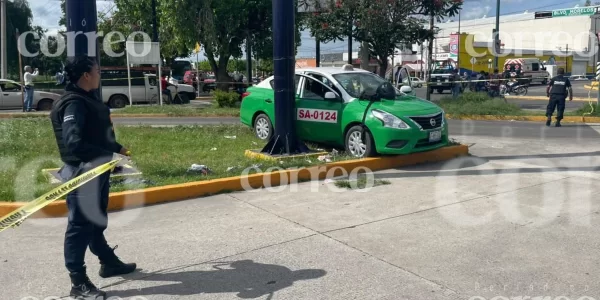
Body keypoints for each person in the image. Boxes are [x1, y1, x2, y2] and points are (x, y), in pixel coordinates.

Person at [49, 55, 137, 299]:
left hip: (98, 172)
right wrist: (108, 155)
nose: (100, 74)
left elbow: (95, 133)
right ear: (86, 75)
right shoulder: (73, 103)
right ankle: (78, 283)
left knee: (96, 221)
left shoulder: (87, 99)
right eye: (97, 71)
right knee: (80, 226)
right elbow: (74, 144)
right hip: (82, 174)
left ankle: (108, 262)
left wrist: (117, 149)